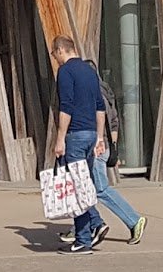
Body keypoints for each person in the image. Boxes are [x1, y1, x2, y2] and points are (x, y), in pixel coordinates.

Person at [48, 36, 146, 253]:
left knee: (79, 187)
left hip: (75, 135)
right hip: (92, 134)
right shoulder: (90, 72)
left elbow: (66, 106)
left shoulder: (65, 72)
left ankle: (84, 239)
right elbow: (100, 106)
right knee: (86, 185)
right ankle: (93, 225)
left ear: (61, 50)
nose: (54, 58)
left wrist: (60, 138)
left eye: (54, 54)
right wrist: (100, 138)